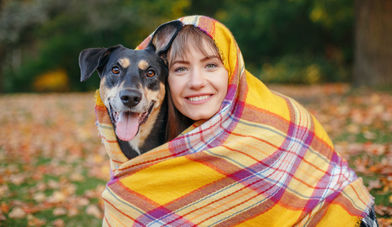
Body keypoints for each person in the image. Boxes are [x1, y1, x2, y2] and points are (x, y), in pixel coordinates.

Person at [96, 15, 377, 226]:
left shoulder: (281, 124)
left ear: (231, 68)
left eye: (211, 65)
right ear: (166, 79)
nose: (197, 82)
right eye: (181, 68)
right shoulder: (159, 145)